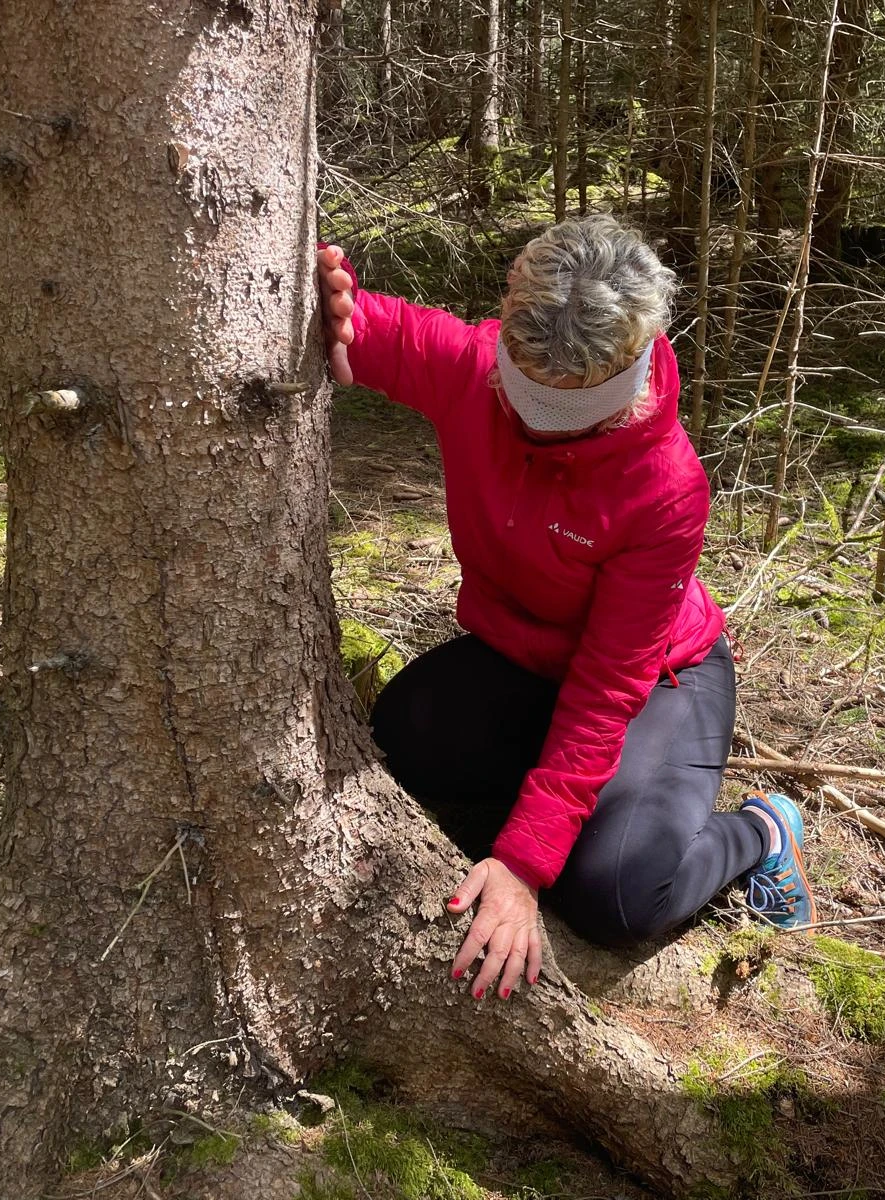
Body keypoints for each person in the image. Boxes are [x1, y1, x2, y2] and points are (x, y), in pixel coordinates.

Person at [317, 216, 815, 1004]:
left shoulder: (665, 489)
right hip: (525, 657)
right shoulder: (472, 371)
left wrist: (522, 864)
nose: (535, 424)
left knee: (618, 896)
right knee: (402, 734)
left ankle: (762, 833)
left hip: (657, 681)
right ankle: (584, 807)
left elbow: (606, 686)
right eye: (524, 391)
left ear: (630, 367)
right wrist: (316, 285)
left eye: (569, 410)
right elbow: (363, 327)